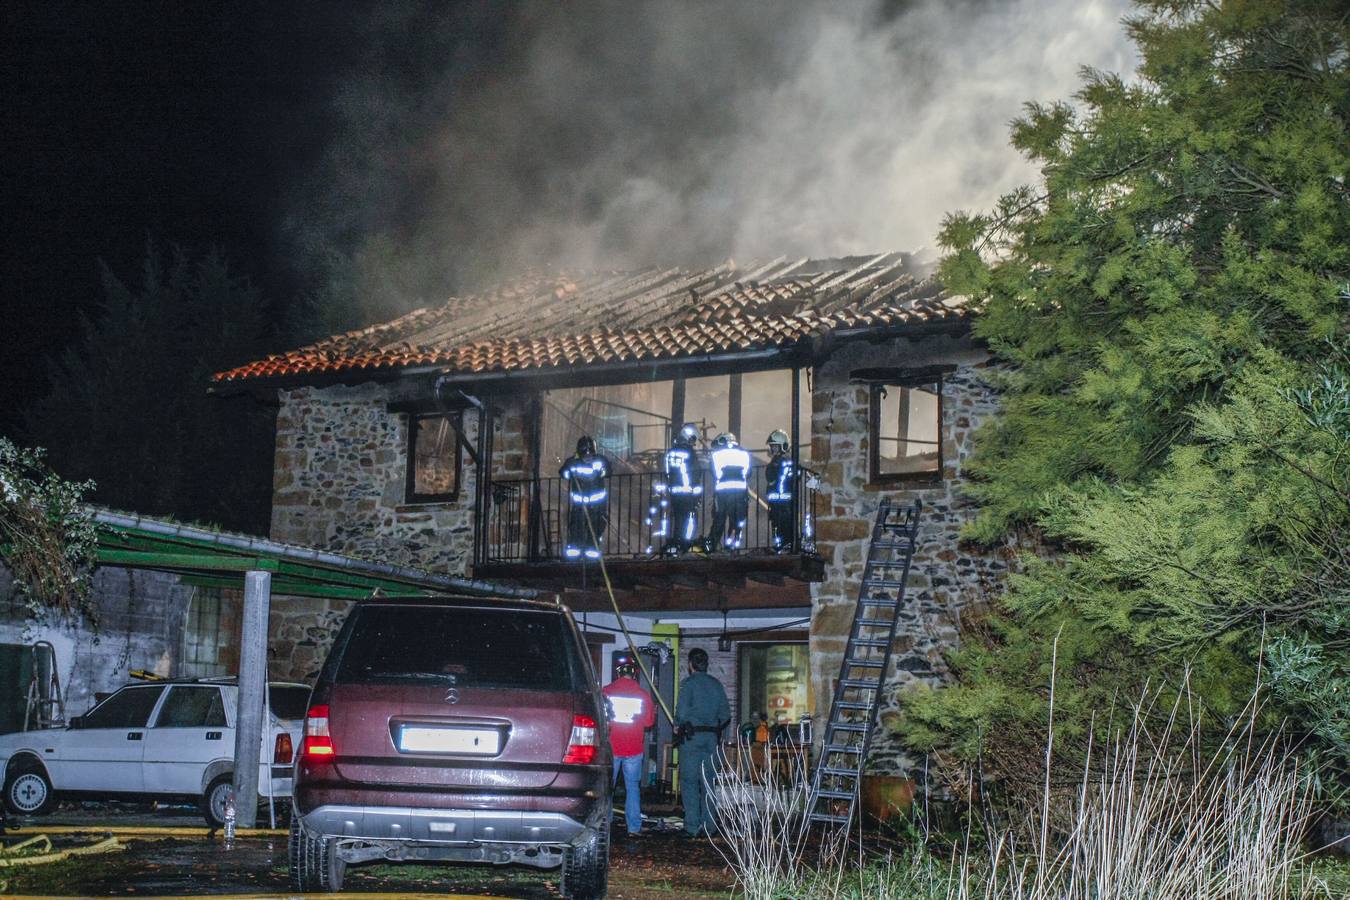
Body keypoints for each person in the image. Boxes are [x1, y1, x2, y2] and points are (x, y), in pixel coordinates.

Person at [675, 647, 729, 838]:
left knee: (689, 782)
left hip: (692, 738)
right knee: (709, 782)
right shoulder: (717, 685)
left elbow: (681, 713)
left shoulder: (688, 684)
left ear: (690, 665)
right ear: (706, 664)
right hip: (711, 739)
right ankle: (709, 826)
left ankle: (691, 826)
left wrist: (677, 725)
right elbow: (726, 715)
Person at [602, 657, 656, 838]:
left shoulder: (606, 692)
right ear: (634, 674)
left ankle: (604, 825)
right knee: (633, 787)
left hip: (611, 748)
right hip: (633, 749)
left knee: (606, 788)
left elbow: (600, 718)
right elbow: (649, 722)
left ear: (618, 673)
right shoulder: (643, 695)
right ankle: (633, 827)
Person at [657, 423, 704, 556]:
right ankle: (685, 544)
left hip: (674, 491)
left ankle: (675, 544)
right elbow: (696, 472)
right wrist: (696, 494)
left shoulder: (671, 452)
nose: (694, 443)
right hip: (687, 491)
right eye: (693, 439)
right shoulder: (690, 453)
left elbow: (667, 472)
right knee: (690, 517)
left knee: (678, 518)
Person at [559, 435, 609, 560]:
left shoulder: (600, 461)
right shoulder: (572, 462)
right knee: (576, 529)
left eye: (589, 450)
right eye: (585, 450)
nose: (587, 454)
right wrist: (569, 472)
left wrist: (602, 471)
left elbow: (608, 471)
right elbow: (563, 473)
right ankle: (575, 553)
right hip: (579, 505)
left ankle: (591, 552)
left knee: (596, 528)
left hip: (597, 505)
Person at [707, 432, 750, 551]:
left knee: (719, 519)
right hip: (740, 491)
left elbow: (714, 472)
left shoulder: (717, 454)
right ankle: (732, 546)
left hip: (722, 491)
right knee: (736, 520)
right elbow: (748, 472)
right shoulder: (744, 453)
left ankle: (712, 545)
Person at [764, 429, 796, 552]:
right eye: (772, 446)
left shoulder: (783, 461)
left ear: (783, 446)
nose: (773, 449)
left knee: (783, 523)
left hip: (783, 500)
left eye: (776, 446)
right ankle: (781, 545)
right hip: (776, 500)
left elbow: (772, 478)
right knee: (776, 524)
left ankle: (785, 544)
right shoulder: (777, 461)